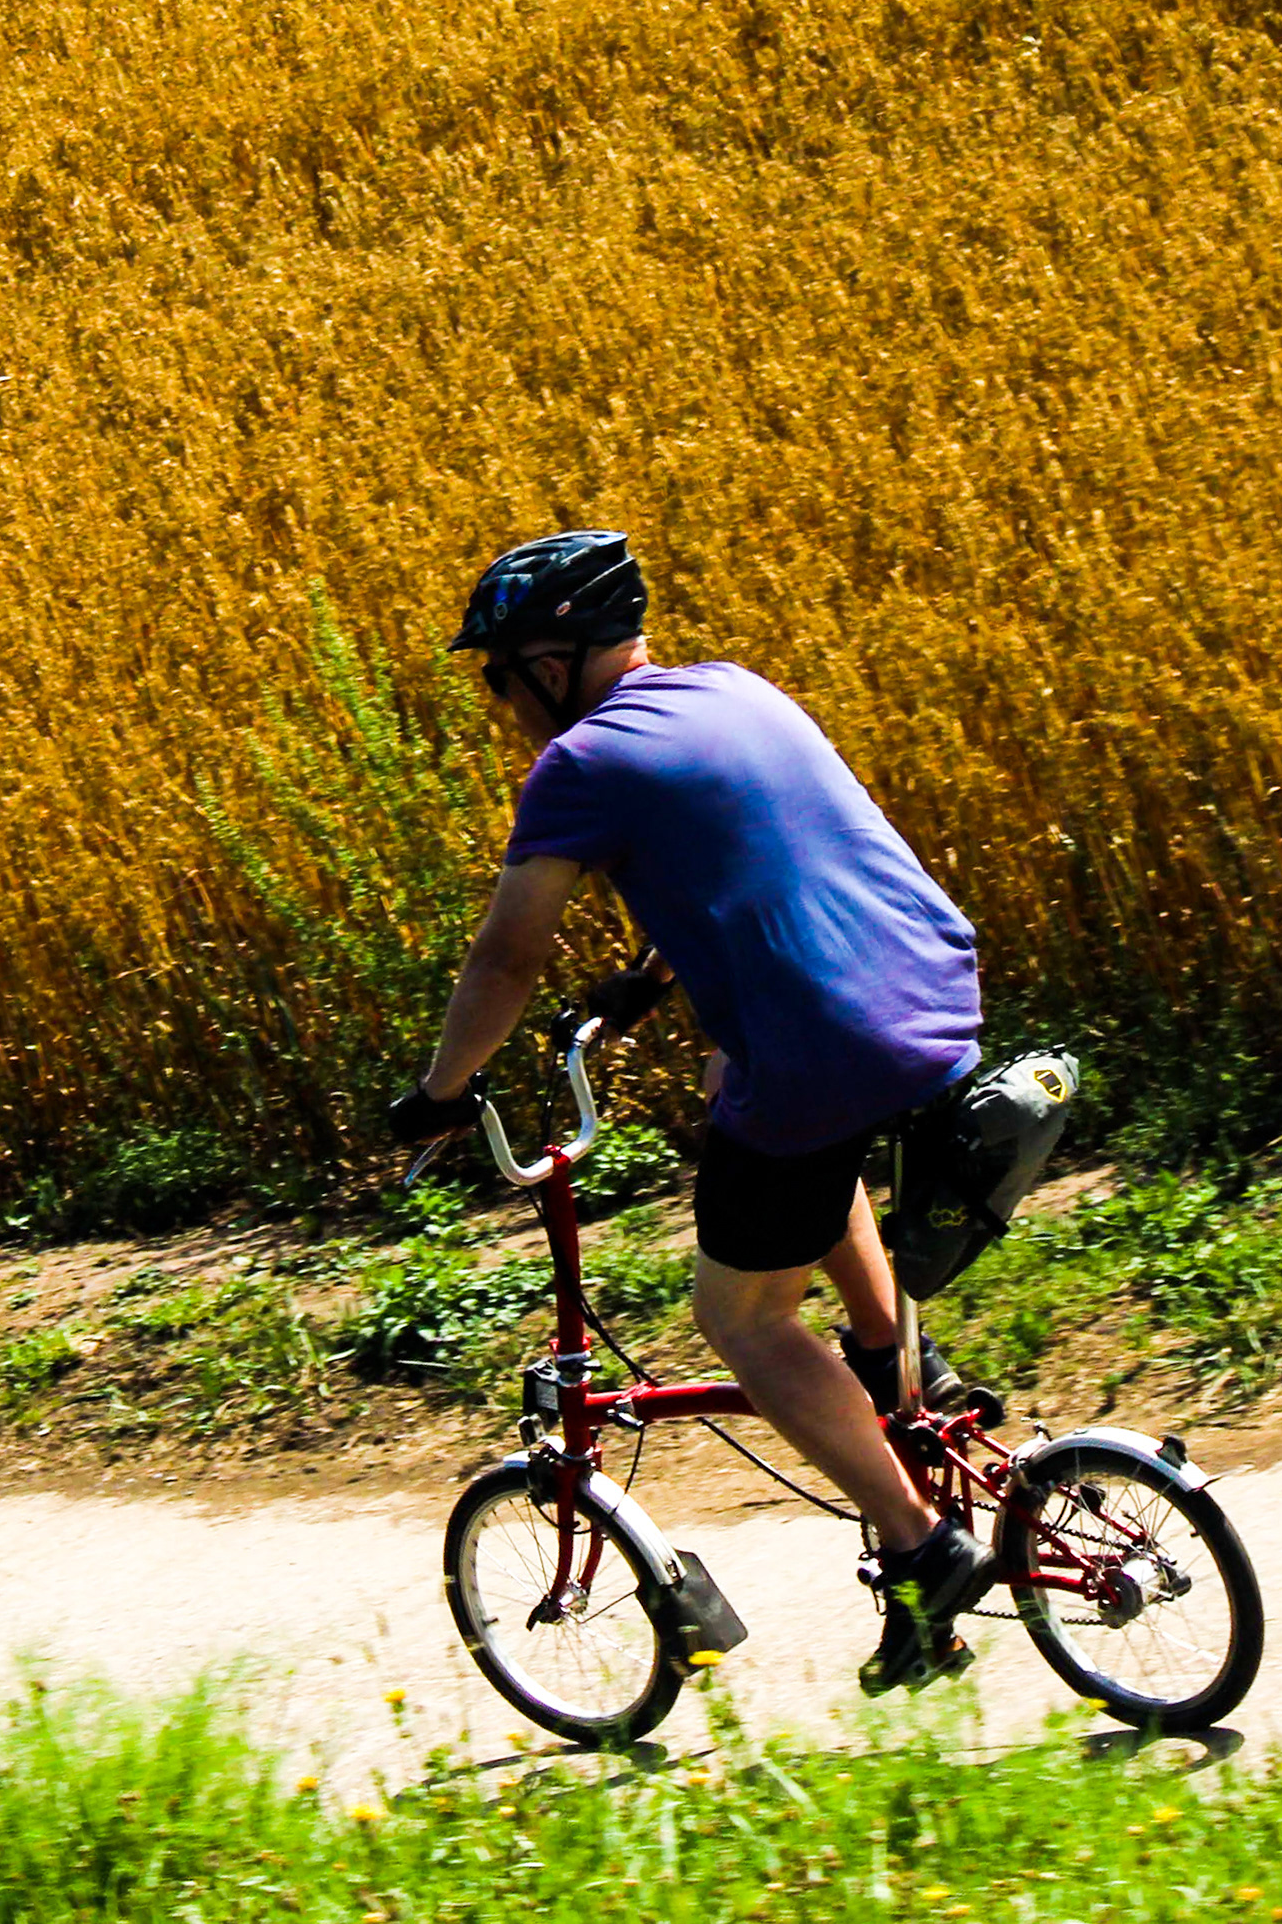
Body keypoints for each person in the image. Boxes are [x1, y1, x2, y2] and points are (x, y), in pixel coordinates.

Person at [384, 529, 997, 1693]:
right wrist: (656, 977)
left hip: (827, 1046)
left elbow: (506, 959)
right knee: (756, 1107)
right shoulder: (735, 693)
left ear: (556, 659)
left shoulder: (579, 765)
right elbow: (766, 854)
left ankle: (924, 1545)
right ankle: (894, 1369)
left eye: (500, 670)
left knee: (744, 1319)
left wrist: (440, 1094)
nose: (497, 695)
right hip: (929, 992)